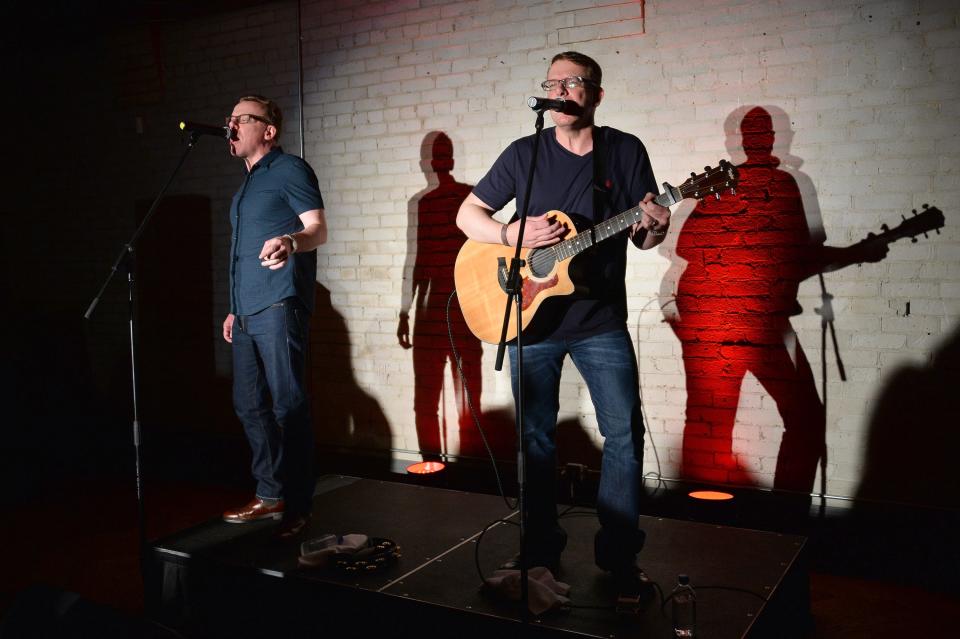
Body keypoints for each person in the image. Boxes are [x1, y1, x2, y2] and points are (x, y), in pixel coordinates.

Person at [456, 52, 671, 598]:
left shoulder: (624, 151)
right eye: (551, 83)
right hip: (531, 320)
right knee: (535, 437)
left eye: (571, 82)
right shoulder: (524, 155)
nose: (559, 91)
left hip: (599, 318)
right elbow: (468, 216)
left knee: (622, 433)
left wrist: (655, 227)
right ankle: (538, 551)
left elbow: (640, 237)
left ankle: (620, 558)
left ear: (595, 94)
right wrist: (512, 236)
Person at [219, 95, 327, 539]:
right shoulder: (245, 186)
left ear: (268, 130)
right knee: (248, 405)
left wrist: (291, 241)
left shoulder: (290, 169)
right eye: (230, 119)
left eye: (240, 119)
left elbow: (317, 227)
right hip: (245, 311)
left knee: (289, 406)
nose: (231, 125)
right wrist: (233, 307)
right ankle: (270, 493)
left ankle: (298, 505)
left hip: (279, 304)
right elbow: (241, 254)